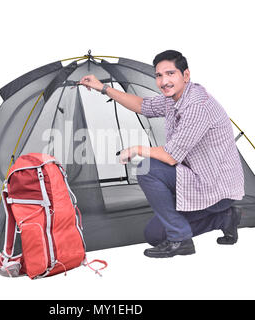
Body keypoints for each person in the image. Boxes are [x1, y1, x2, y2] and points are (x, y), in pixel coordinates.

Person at [79, 50, 245, 258]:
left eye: (170, 74)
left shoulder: (196, 106)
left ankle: (181, 239)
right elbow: (143, 106)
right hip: (194, 179)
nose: (164, 81)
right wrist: (103, 88)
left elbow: (170, 156)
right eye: (159, 76)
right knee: (155, 234)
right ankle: (224, 219)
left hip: (215, 189)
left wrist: (137, 149)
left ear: (186, 75)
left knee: (147, 168)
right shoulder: (174, 97)